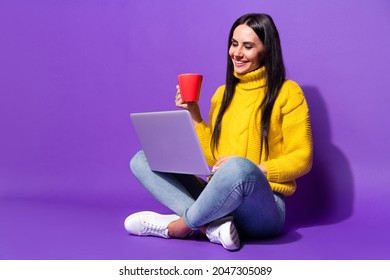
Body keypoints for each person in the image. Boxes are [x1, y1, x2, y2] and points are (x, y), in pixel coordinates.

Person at [124, 13, 313, 251]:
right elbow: (213, 160)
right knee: (141, 159)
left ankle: (181, 226)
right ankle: (210, 227)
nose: (237, 53)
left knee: (239, 167)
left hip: (264, 208)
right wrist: (193, 113)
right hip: (218, 197)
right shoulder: (222, 95)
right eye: (234, 44)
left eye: (248, 46)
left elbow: (302, 158)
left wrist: (253, 169)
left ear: (267, 50)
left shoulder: (288, 92)